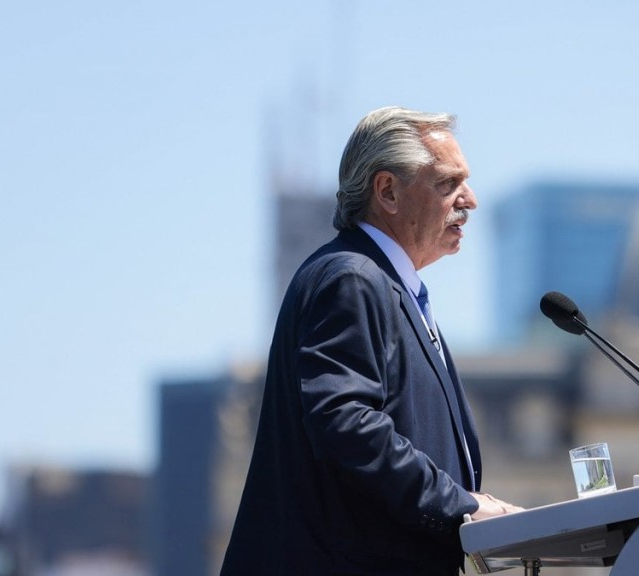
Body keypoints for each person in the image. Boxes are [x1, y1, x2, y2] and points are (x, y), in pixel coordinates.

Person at [220, 106, 522, 575]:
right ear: (387, 192)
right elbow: (346, 423)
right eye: (448, 183)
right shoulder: (353, 278)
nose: (471, 200)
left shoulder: (390, 287)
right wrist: (460, 505)